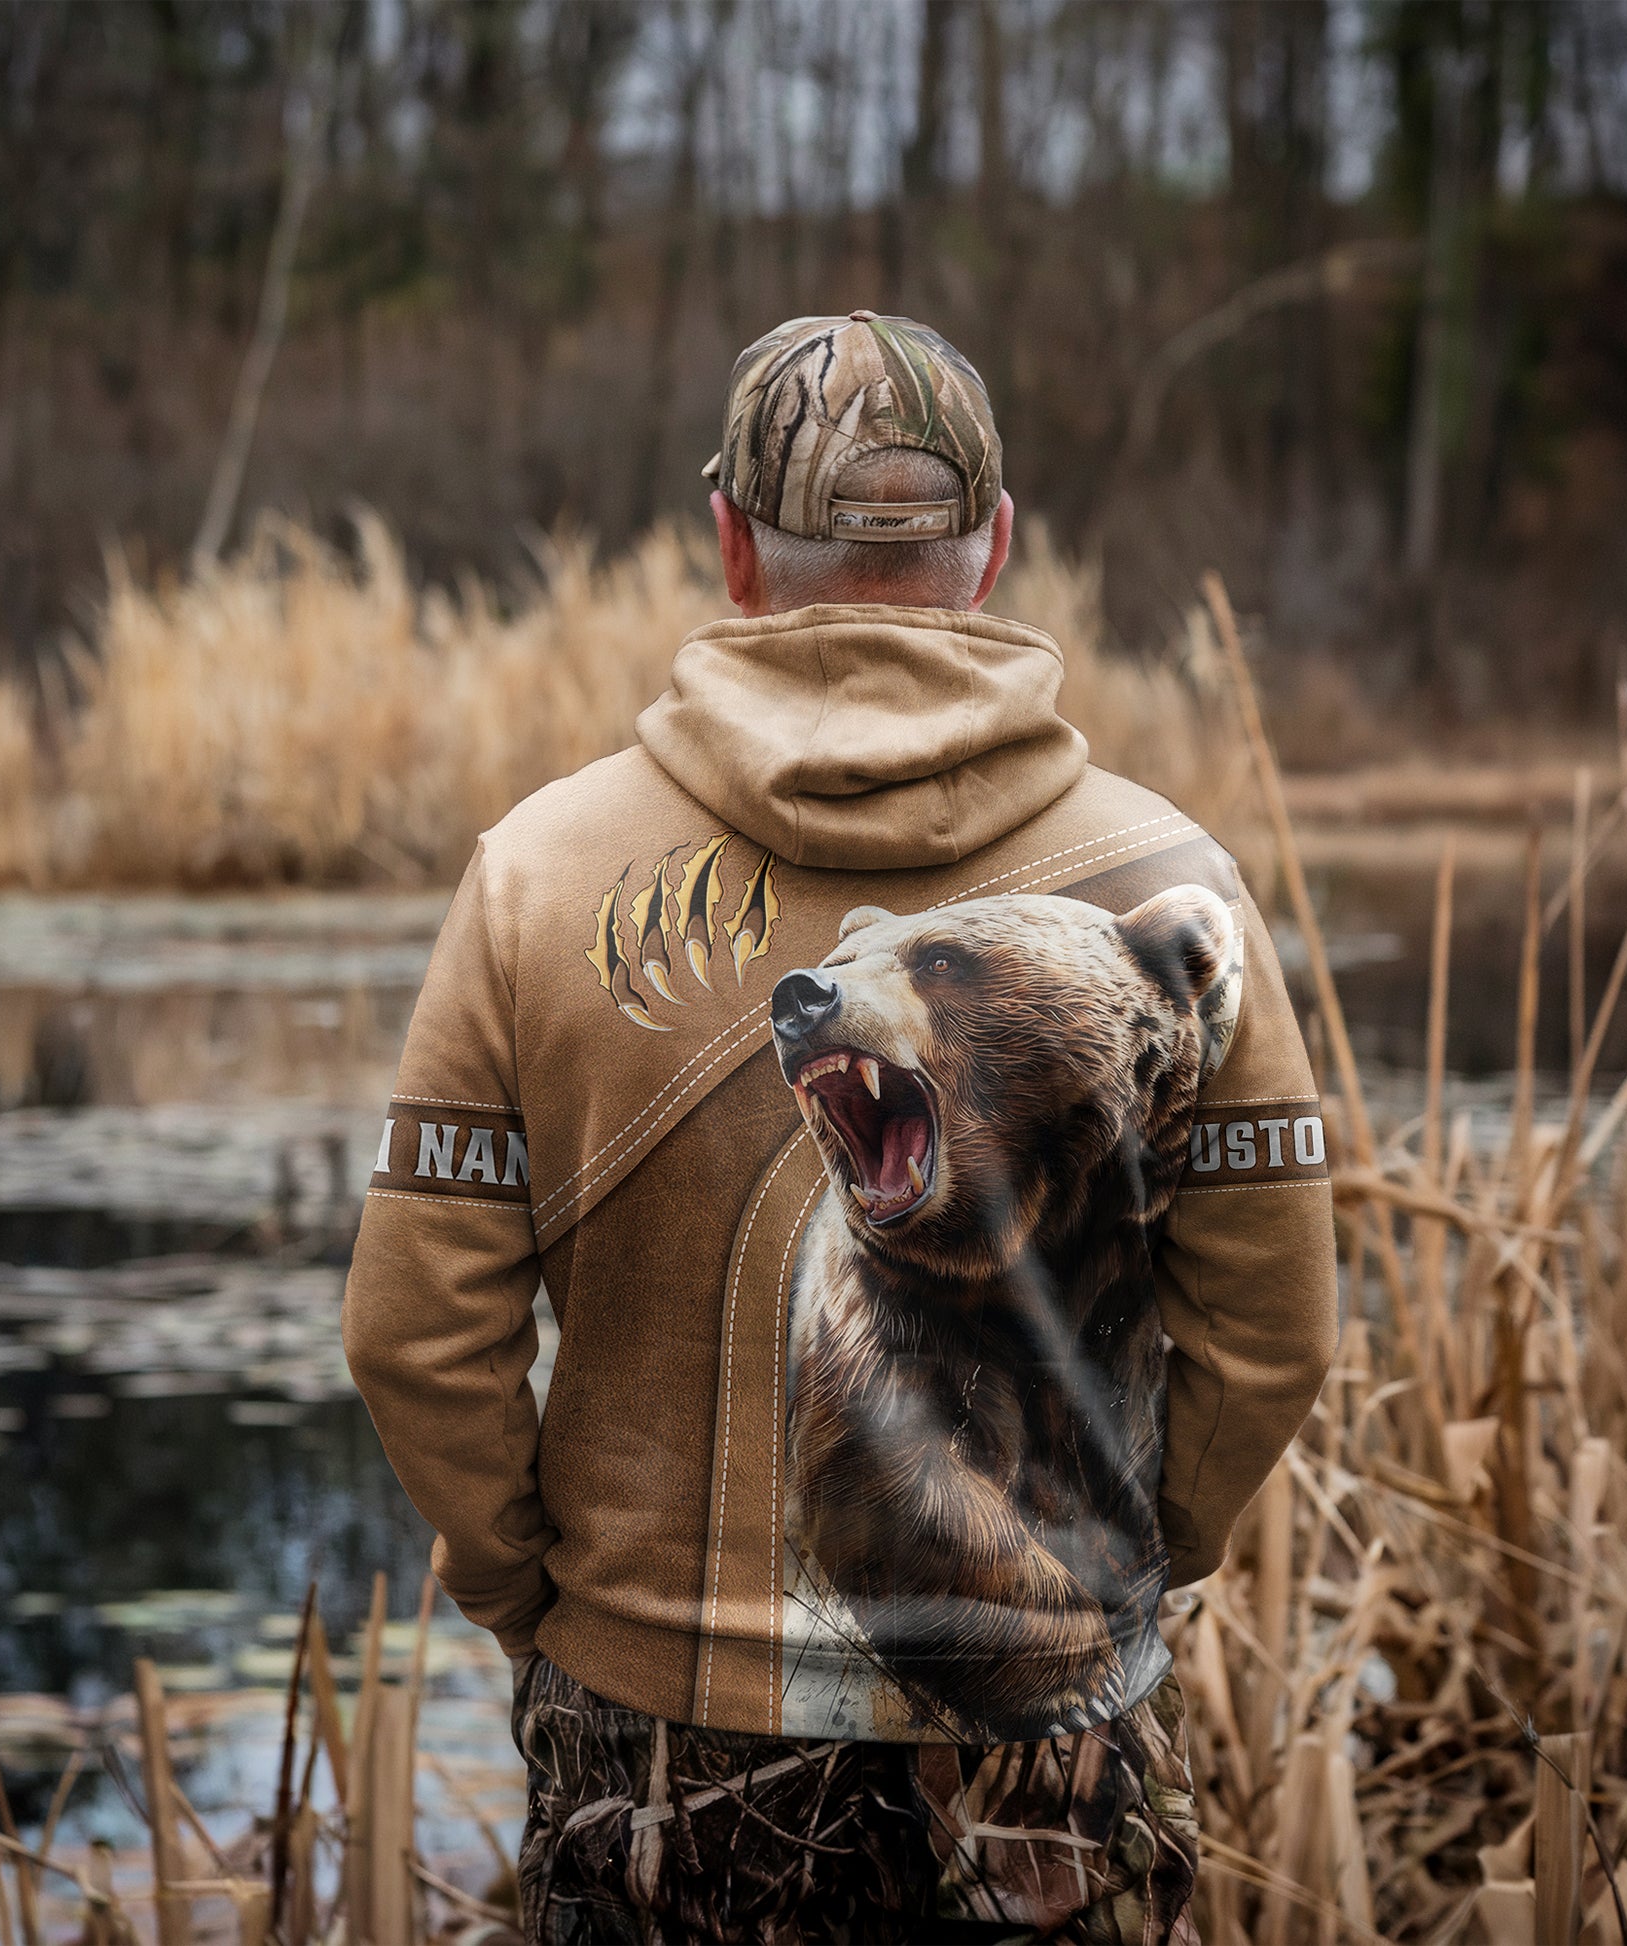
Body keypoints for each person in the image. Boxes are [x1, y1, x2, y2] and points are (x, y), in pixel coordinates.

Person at [343, 312, 1339, 1945]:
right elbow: (1276, 1327)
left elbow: (409, 1334)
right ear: (993, 549)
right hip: (1054, 1767)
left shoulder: (536, 874)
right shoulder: (1177, 878)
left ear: (728, 540)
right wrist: (1116, 1568)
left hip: (653, 1742)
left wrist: (542, 1601)